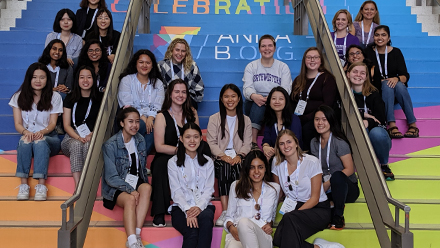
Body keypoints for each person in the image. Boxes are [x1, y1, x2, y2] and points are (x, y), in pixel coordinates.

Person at [271, 130, 344, 248]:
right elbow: (278, 194)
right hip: (294, 208)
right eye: (282, 143)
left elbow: (315, 198)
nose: (286, 146)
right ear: (278, 147)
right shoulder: (276, 162)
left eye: (289, 142)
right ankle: (318, 247)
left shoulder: (311, 162)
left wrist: (294, 213)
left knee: (288, 223)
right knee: (278, 240)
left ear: (296, 143)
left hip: (317, 209)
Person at [150, 79, 203, 227]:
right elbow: (159, 146)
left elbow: (198, 138)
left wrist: (188, 150)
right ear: (170, 94)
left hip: (190, 153)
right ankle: (159, 212)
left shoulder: (192, 112)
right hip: (168, 154)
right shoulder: (162, 115)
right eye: (177, 91)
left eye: (184, 92)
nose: (180, 95)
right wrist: (179, 151)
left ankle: (198, 203)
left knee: (204, 153)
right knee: (160, 165)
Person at [9, 62, 63, 201]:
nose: (38, 81)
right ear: (29, 79)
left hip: (49, 138)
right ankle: (24, 185)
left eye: (42, 77)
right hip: (28, 134)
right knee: (24, 141)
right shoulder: (18, 97)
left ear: (47, 79)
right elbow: (17, 124)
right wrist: (26, 132)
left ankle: (41, 186)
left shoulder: (55, 97)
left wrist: (42, 132)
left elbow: (52, 124)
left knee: (40, 141)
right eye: (34, 77)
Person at [102, 107, 152, 248]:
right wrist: (130, 190)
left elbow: (141, 168)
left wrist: (137, 188)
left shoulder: (140, 140)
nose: (134, 125)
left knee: (147, 188)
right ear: (122, 123)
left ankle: (136, 235)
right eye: (130, 121)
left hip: (135, 180)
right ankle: (132, 242)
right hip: (116, 186)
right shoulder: (110, 145)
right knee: (130, 199)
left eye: (137, 121)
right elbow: (111, 178)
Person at [206, 84, 252, 227]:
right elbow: (211, 142)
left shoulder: (246, 120)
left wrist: (240, 155)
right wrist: (222, 155)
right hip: (220, 157)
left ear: (239, 99)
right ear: (221, 99)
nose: (230, 99)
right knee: (226, 167)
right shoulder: (214, 118)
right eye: (226, 96)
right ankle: (226, 211)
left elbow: (248, 143)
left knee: (238, 168)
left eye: (233, 96)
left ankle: (239, 209)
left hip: (239, 156)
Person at [310, 105, 359, 230]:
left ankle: (338, 216)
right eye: (317, 119)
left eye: (324, 119)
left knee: (337, 175)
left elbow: (349, 169)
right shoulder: (314, 142)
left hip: (347, 188)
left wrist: (328, 182)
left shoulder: (339, 142)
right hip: (326, 188)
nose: (320, 123)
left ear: (331, 121)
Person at [365, 25, 419, 139]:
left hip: (395, 91)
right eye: (377, 35)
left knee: (398, 84)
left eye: (383, 35)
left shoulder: (396, 52)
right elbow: (366, 76)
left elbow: (405, 76)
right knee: (387, 84)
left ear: (389, 38)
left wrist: (396, 78)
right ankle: (391, 124)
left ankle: (412, 123)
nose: (380, 37)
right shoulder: (368, 52)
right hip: (376, 91)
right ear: (373, 37)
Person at [168, 122, 215, 248]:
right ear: (181, 139)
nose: (192, 140)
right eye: (188, 137)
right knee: (192, 231)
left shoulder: (208, 162)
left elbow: (209, 190)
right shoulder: (172, 163)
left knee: (205, 221)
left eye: (195, 136)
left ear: (201, 138)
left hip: (204, 206)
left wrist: (198, 207)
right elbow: (176, 191)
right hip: (181, 207)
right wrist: (188, 210)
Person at [242, 34, 292, 148]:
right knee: (258, 104)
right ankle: (253, 141)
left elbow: (286, 90)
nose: (267, 49)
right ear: (259, 49)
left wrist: (272, 99)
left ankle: (253, 141)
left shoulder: (283, 67)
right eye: (263, 46)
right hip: (255, 101)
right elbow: (247, 88)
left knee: (261, 105)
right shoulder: (251, 66)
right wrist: (254, 96)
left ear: (274, 48)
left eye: (270, 46)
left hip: (276, 102)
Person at [223, 150, 280, 248]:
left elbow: (272, 216)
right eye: (252, 168)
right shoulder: (236, 186)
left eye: (260, 167)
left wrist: (269, 225)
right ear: (246, 169)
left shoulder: (274, 189)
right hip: (239, 235)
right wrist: (231, 228)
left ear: (266, 168)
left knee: (244, 222)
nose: (256, 172)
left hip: (262, 236)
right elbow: (229, 217)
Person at [347, 62, 394, 181]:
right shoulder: (343, 94)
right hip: (353, 134)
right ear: (348, 74)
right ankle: (364, 166)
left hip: (376, 136)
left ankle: (384, 165)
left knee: (376, 133)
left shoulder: (374, 94)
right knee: (360, 128)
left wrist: (368, 122)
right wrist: (363, 115)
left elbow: (381, 120)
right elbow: (339, 113)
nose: (358, 75)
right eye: (355, 72)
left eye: (362, 73)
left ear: (367, 77)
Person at [61, 66, 102, 188]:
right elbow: (66, 125)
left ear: (94, 79)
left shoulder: (99, 99)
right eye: (82, 77)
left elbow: (102, 122)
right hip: (71, 136)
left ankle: (88, 183)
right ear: (77, 80)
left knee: (89, 145)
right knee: (77, 145)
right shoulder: (70, 97)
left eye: (89, 77)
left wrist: (92, 134)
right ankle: (78, 187)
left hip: (92, 136)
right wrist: (78, 138)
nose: (85, 80)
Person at [291, 47, 338, 152]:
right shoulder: (298, 80)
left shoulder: (327, 78)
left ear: (321, 60)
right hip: (299, 117)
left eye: (315, 57)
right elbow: (292, 101)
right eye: (309, 57)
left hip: (318, 118)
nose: (312, 60)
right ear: (304, 60)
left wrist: (306, 118)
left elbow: (327, 104)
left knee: (307, 129)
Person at [118, 49, 164, 156]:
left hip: (152, 118)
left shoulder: (158, 83)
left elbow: (158, 105)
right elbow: (126, 103)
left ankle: (137, 159)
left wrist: (151, 118)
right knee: (141, 124)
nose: (144, 65)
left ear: (152, 65)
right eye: (141, 62)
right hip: (131, 116)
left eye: (148, 63)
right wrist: (143, 117)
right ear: (135, 64)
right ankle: (134, 159)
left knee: (155, 127)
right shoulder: (127, 80)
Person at [157, 38, 204, 110]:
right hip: (167, 100)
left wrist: (184, 96)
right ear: (171, 50)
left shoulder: (192, 66)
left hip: (186, 100)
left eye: (183, 51)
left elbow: (199, 88)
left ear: (186, 53)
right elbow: (158, 88)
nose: (180, 54)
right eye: (177, 50)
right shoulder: (162, 65)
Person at [262, 86, 302, 161]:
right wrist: (266, 147)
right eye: (273, 99)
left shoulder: (294, 119)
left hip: (293, 156)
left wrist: (274, 151)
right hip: (276, 157)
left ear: (286, 101)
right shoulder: (269, 120)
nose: (277, 101)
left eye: (281, 99)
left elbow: (294, 142)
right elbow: (266, 140)